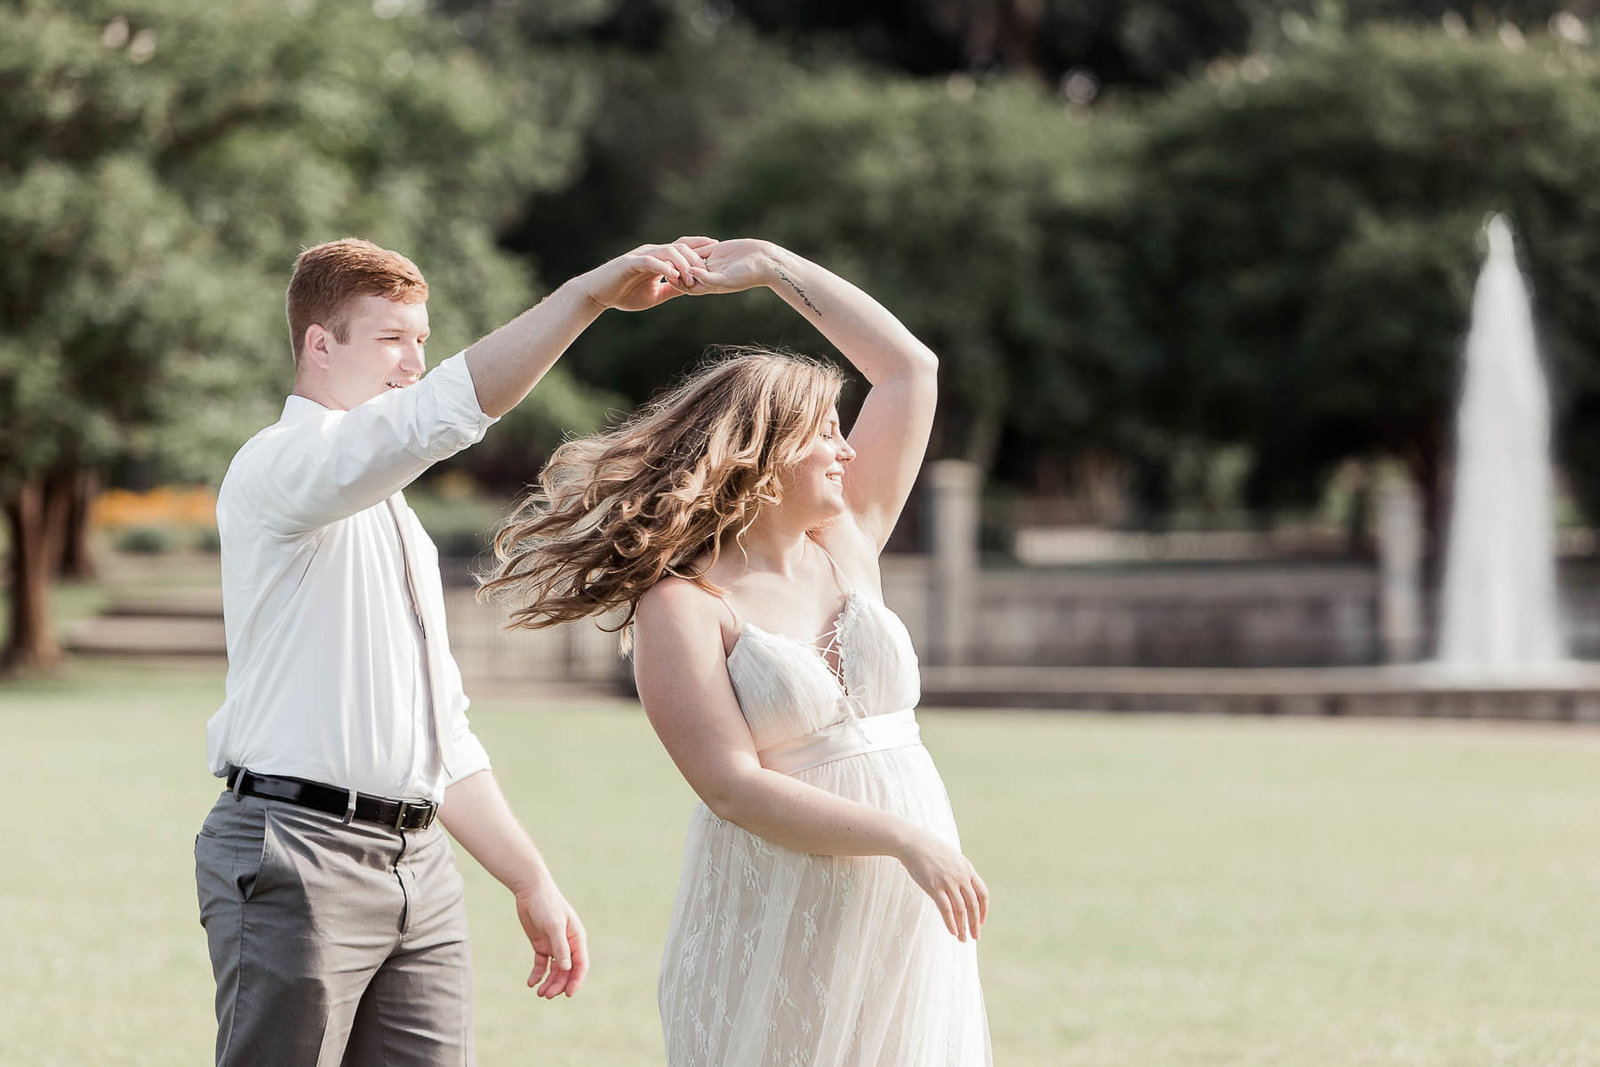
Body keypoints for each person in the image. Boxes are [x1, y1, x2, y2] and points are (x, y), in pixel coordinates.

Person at [196, 234, 717, 1067]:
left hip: (422, 867)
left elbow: (440, 734)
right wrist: (585, 293)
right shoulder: (277, 466)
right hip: (298, 852)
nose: (412, 362)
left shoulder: (392, 517)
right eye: (390, 339)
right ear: (318, 345)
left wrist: (529, 877)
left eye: (422, 341)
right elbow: (440, 413)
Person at [482, 238, 992, 1065]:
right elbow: (732, 787)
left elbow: (910, 369)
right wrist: (904, 838)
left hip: (906, 894)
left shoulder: (849, 539)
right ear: (759, 454)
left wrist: (768, 266)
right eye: (824, 432)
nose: (847, 448)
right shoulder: (681, 605)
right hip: (782, 895)